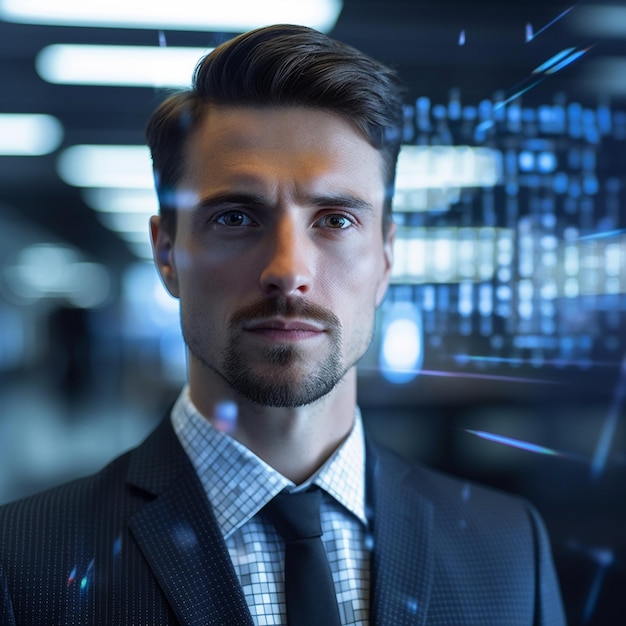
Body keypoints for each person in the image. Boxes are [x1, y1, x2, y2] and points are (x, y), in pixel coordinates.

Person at [0, 24, 565, 625]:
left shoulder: (509, 549)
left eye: (336, 220)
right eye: (237, 216)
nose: (288, 271)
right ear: (167, 254)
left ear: (387, 256)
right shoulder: (23, 565)